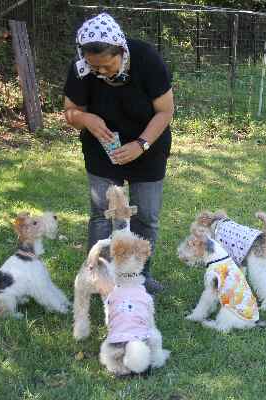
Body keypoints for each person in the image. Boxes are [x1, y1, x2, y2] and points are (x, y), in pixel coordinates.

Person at [63, 13, 174, 294]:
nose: (100, 72)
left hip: (148, 145)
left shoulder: (146, 59)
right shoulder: (81, 69)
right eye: (94, 66)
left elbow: (165, 111)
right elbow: (70, 111)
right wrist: (85, 119)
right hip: (101, 150)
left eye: (106, 65)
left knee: (145, 215)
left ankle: (140, 276)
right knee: (102, 214)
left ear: (121, 51)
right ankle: (98, 278)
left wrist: (141, 144)